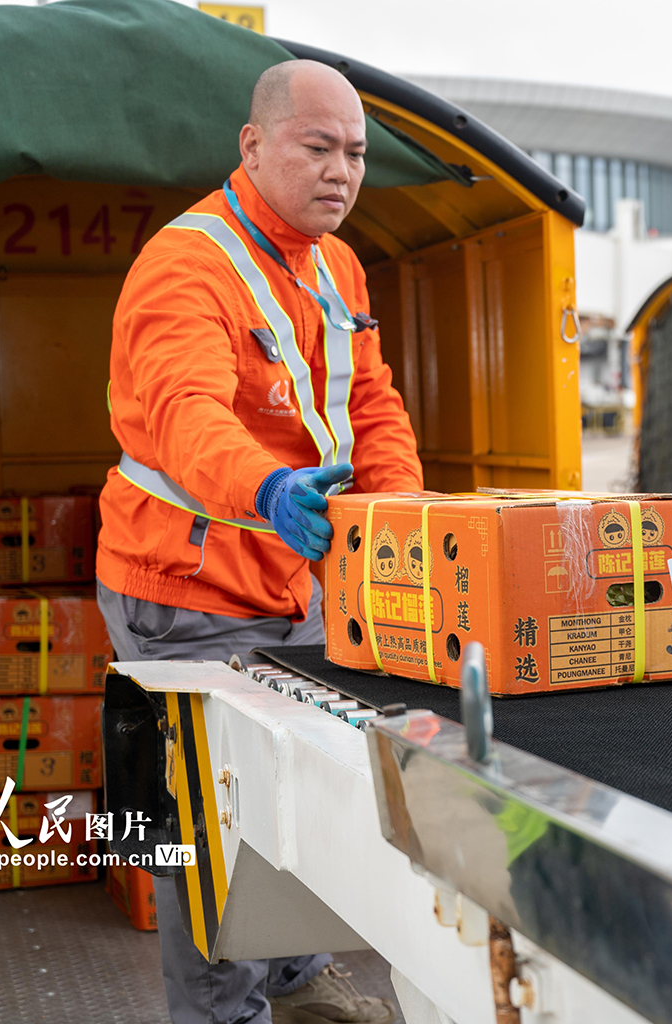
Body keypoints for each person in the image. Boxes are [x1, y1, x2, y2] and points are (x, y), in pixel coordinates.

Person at [96, 59, 423, 1024]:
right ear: (253, 143)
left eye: (356, 154)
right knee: (206, 828)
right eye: (316, 147)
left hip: (291, 582)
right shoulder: (185, 263)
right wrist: (271, 488)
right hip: (182, 589)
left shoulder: (337, 265)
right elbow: (185, 413)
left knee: (301, 803)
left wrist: (398, 514)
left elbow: (373, 402)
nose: (341, 172)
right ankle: (224, 1014)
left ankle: (293, 978)